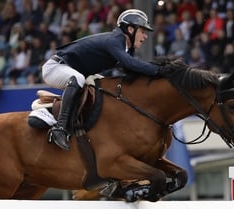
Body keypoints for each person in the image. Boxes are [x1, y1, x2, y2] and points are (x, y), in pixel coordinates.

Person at [40, 9, 160, 151]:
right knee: (77, 78)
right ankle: (60, 128)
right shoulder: (115, 40)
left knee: (105, 86)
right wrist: (160, 70)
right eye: (143, 31)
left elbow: (131, 71)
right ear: (130, 29)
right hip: (56, 67)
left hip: (73, 71)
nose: (145, 36)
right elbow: (131, 64)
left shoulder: (126, 47)